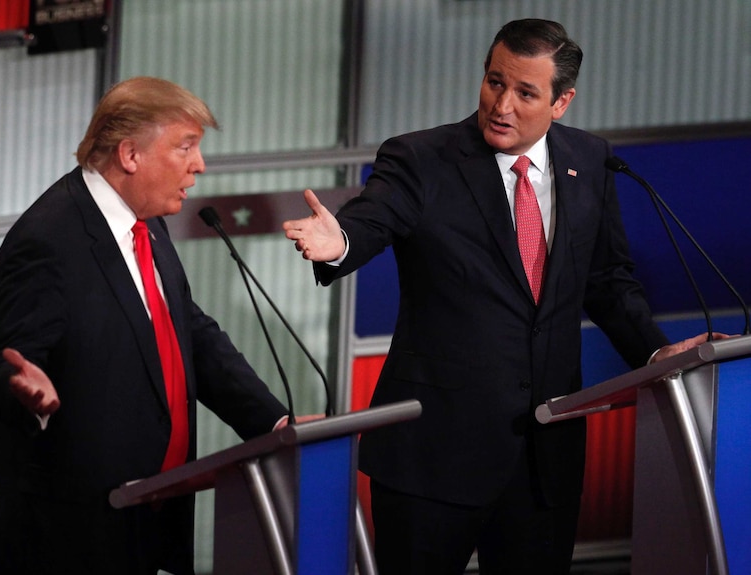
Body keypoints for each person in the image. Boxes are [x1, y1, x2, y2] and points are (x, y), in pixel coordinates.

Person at [283, 18, 725, 574]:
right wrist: (340, 242)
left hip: (544, 457)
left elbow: (607, 281)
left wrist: (658, 355)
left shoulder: (590, 161)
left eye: (525, 93)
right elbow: (374, 220)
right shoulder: (420, 158)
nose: (502, 105)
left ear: (561, 102)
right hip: (434, 456)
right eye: (495, 82)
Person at [0, 77, 298, 575]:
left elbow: (188, 333)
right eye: (186, 147)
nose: (199, 165)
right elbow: (7, 367)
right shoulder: (48, 240)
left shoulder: (144, 221)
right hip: (58, 538)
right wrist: (26, 393)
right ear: (130, 154)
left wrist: (273, 423)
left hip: (142, 513)